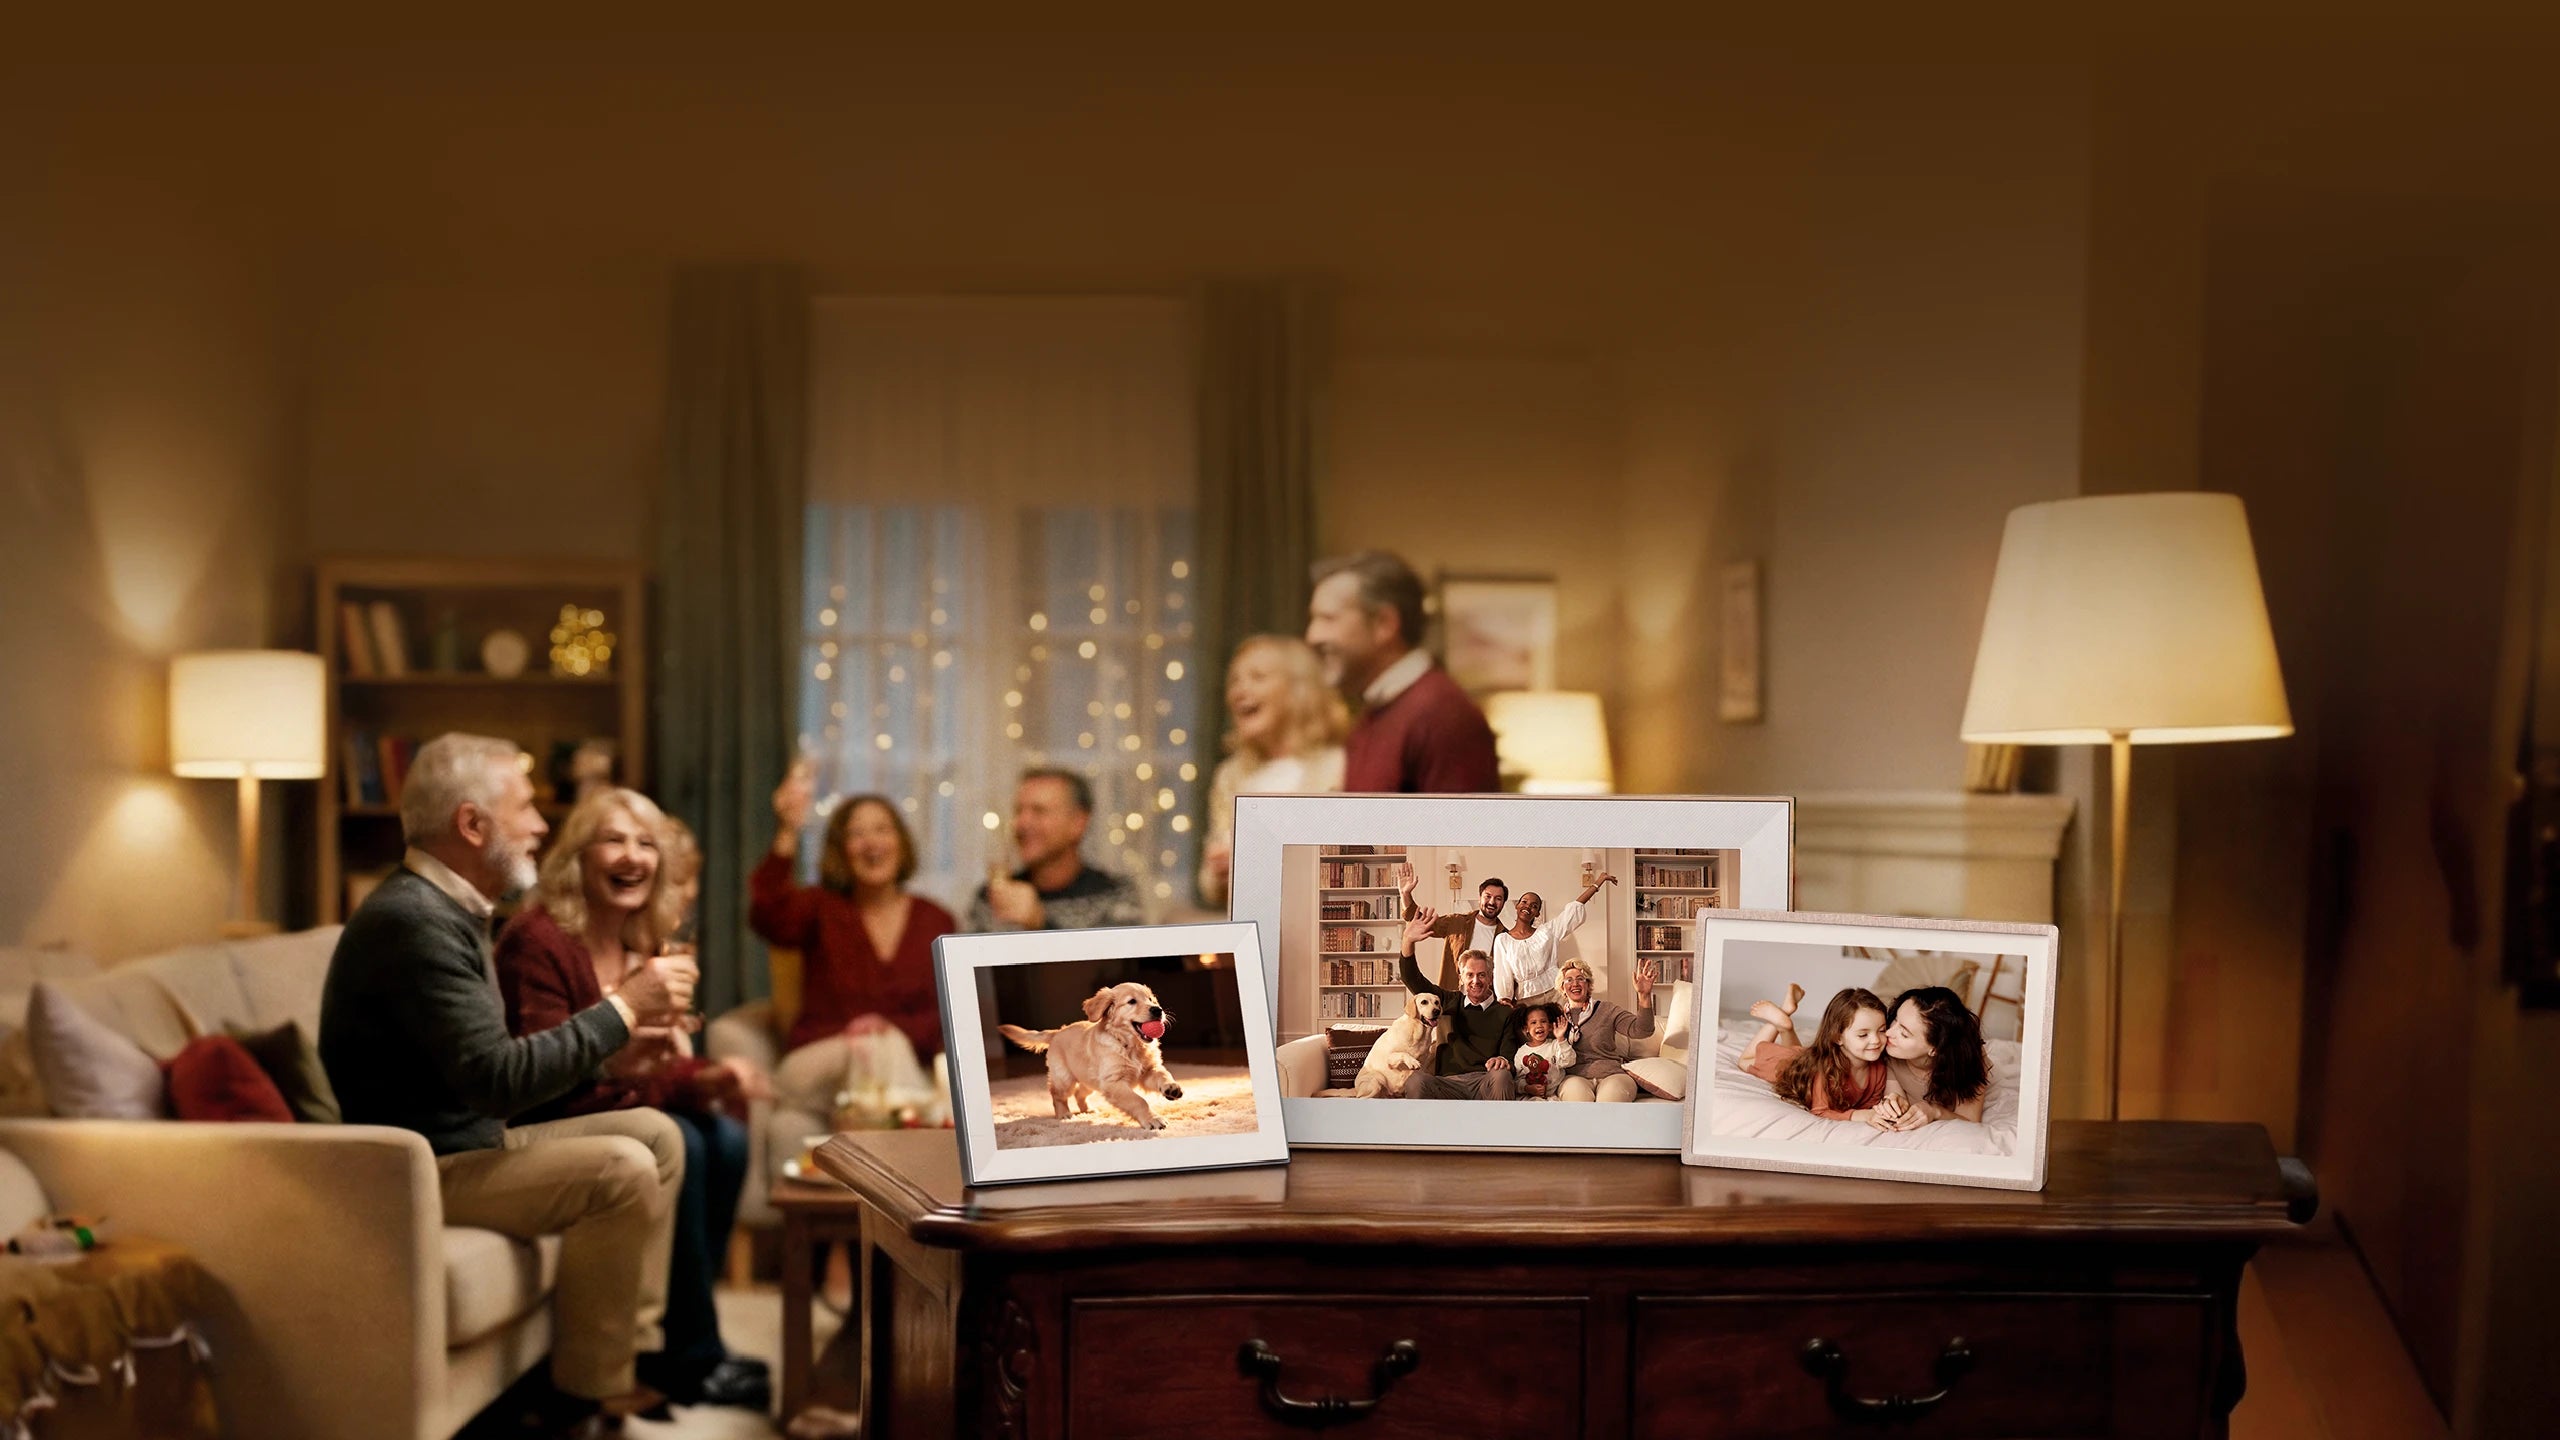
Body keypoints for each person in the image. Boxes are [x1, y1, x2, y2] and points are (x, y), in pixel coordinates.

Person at [319, 733, 692, 1438]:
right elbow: (497, 1080)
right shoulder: (413, 922)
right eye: (524, 808)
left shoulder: (451, 910)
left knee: (657, 1135)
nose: (542, 826)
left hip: (465, 1138)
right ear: (471, 824)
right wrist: (624, 1009)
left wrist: (611, 1058)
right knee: (621, 1167)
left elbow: (486, 1068)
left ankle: (620, 1359)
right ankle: (578, 1403)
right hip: (423, 1166)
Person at [494, 789, 773, 1412]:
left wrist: (705, 1078)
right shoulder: (539, 939)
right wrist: (653, 1076)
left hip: (613, 1105)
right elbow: (543, 1070)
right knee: (692, 1147)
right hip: (549, 1115)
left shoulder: (637, 942)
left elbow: (646, 1070)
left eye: (647, 844)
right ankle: (688, 1356)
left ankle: (686, 1339)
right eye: (615, 840)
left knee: (722, 1136)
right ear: (577, 859)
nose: (633, 857)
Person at [753, 766, 958, 1063]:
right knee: (874, 1051)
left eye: (882, 830)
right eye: (856, 833)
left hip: (903, 1069)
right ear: (841, 850)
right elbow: (767, 915)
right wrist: (787, 829)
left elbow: (947, 1016)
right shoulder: (820, 908)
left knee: (884, 1053)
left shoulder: (936, 920)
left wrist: (889, 1030)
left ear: (900, 843)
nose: (871, 843)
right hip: (823, 1061)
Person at [1304, 551, 1499, 793]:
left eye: (1328, 618)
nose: (1313, 636)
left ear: (1384, 624)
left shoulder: (1442, 715)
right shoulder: (1377, 711)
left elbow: (1463, 829)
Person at [1198, 635, 1349, 908]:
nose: (1239, 691)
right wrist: (1218, 873)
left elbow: (1348, 864)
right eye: (1234, 680)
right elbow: (1210, 884)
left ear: (1298, 690)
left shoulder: (1339, 766)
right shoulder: (1229, 776)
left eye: (1258, 677)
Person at [966, 769, 1148, 931]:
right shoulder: (989, 899)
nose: (1022, 823)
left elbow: (1116, 967)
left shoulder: (1115, 896)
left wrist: (1041, 924)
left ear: (1078, 823)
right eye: (1018, 811)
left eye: (1039, 811)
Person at [1391, 906, 1518, 1101]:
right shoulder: (1446, 1002)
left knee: (1502, 1076)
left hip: (1484, 1081)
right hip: (1448, 1083)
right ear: (1461, 978)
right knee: (1416, 1081)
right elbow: (1413, 979)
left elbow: (1508, 1054)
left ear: (1490, 978)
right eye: (1470, 975)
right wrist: (1408, 941)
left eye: (1482, 975)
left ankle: (1498, 1131)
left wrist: (1502, 1060)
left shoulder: (1505, 1012)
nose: (1476, 981)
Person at [1736, 983, 1902, 1127]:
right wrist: (1859, 1116)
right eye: (1863, 1035)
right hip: (1791, 1068)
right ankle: (1779, 1020)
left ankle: (1786, 1027)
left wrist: (1877, 1112)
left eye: (1881, 1031)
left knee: (1797, 1053)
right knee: (1745, 1061)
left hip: (1803, 1061)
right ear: (1838, 1037)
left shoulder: (1879, 1068)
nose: (1876, 1040)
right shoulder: (1825, 1067)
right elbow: (1820, 1110)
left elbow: (1869, 1105)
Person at [1489, 873, 1615, 1007]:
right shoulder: (1503, 940)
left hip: (1556, 993)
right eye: (1524, 902)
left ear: (1537, 913)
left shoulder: (1547, 932)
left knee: (1564, 1026)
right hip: (1525, 999)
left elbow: (1573, 911)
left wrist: (1598, 883)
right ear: (1517, 906)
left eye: (1534, 906)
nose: (1528, 906)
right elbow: (1502, 972)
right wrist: (1505, 999)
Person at [1880, 986, 1993, 1129]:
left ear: (1935, 1049)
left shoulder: (1968, 1060)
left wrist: (1935, 1111)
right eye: (1895, 1020)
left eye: (1904, 1034)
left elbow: (1970, 1121)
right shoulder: (1890, 1050)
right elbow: (1896, 1099)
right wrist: (1892, 1104)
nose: (1888, 1032)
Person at [1553, 956, 1659, 1103]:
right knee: (1578, 1102)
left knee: (1609, 1101)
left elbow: (1642, 1030)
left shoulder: (1607, 1009)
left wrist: (1644, 996)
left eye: (1580, 978)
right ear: (1562, 987)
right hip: (1575, 1077)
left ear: (1588, 984)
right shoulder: (1556, 1016)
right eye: (1569, 980)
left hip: (1612, 1075)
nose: (1575, 983)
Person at [1396, 862, 1509, 990]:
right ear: (1480, 898)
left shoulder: (1506, 937)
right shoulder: (1456, 922)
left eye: (1498, 898)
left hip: (1487, 1002)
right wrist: (1405, 895)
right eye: (1487, 896)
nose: (1492, 902)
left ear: (1503, 903)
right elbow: (1421, 921)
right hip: (1453, 1000)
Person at [1511, 1003, 1574, 1099]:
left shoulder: (1555, 1045)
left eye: (1543, 1021)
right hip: (1532, 1097)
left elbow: (1569, 1061)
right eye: (1533, 1022)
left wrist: (1561, 1038)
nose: (1539, 1025)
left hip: (1555, 1094)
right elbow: (1518, 1080)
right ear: (1526, 1028)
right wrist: (1528, 1088)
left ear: (1549, 1026)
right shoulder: (1521, 1052)